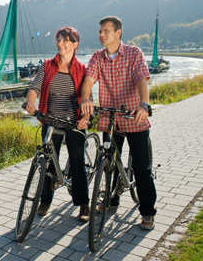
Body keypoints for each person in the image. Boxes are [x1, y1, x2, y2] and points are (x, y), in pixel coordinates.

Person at [78, 16, 157, 230]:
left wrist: (144, 105)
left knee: (142, 167)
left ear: (118, 32)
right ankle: (111, 201)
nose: (101, 34)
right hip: (110, 118)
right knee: (109, 163)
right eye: (100, 31)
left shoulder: (133, 53)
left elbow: (142, 79)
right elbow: (88, 80)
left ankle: (148, 212)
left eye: (106, 31)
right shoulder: (97, 57)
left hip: (133, 117)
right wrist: (86, 99)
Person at [25, 26, 90, 222]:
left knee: (78, 163)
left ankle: (83, 204)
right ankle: (45, 200)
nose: (60, 44)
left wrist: (85, 118)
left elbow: (87, 97)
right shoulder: (47, 66)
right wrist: (31, 102)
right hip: (50, 120)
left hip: (73, 122)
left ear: (75, 44)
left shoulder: (82, 70)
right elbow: (34, 87)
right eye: (59, 41)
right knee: (47, 163)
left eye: (65, 41)